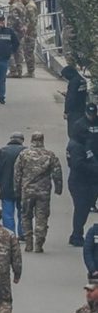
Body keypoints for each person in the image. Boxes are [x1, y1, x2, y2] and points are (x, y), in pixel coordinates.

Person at [13, 131, 63, 253]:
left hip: (27, 191)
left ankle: (28, 242)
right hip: (43, 192)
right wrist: (58, 187)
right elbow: (57, 172)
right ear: (42, 140)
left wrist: (16, 190)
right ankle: (39, 244)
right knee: (42, 217)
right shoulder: (50, 155)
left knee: (26, 216)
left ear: (31, 140)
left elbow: (17, 173)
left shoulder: (24, 154)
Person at [68, 104, 98, 246]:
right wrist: (94, 168)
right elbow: (77, 165)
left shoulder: (83, 146)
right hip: (80, 181)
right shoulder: (77, 147)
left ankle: (77, 234)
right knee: (81, 208)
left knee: (84, 207)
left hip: (89, 179)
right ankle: (76, 235)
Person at [0, 132, 26, 237]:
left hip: (6, 187)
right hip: (23, 187)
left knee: (7, 214)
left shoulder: (2, 151)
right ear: (22, 140)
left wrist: (2, 182)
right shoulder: (26, 152)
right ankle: (23, 233)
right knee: (23, 212)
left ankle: (10, 234)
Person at [62, 66, 90, 132]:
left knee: (72, 131)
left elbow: (70, 98)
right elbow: (81, 94)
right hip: (82, 109)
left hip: (74, 111)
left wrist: (66, 111)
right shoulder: (82, 80)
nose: (65, 77)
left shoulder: (73, 82)